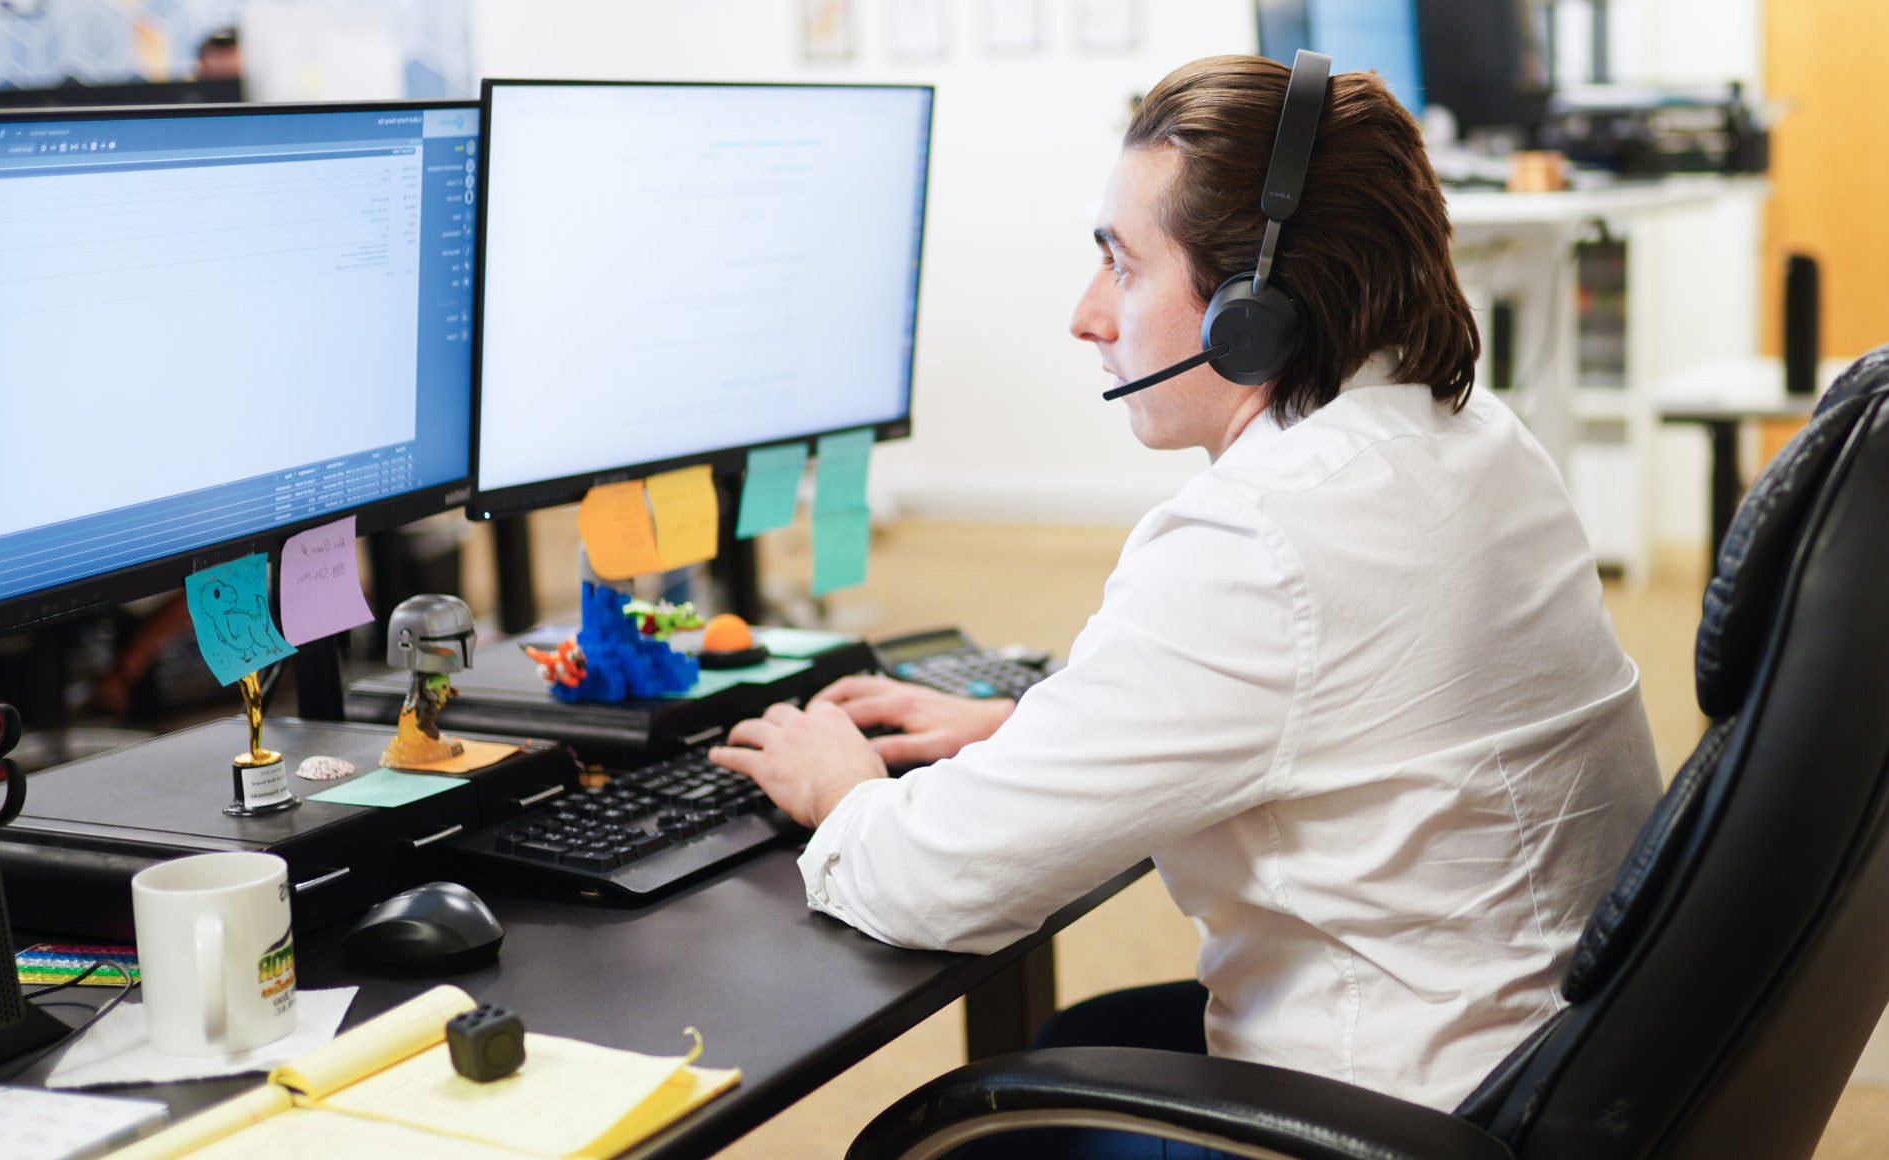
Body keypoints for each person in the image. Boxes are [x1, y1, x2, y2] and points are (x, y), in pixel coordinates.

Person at [709, 53, 1662, 1128]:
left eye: (1120, 266)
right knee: (1077, 1041)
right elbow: (1331, 701)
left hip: (1396, 1110)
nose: (1085, 316)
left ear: (1252, 311)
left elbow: (931, 884)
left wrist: (841, 785)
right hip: (1554, 1063)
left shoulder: (1263, 535)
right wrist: (1034, 727)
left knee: (950, 1127)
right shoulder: (1473, 438)